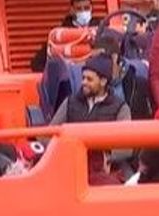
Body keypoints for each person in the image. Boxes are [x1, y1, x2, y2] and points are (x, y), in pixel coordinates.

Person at [50, 54, 133, 182]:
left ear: (103, 81)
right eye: (83, 78)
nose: (84, 82)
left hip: (106, 171)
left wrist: (105, 158)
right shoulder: (70, 102)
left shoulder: (120, 108)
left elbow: (126, 146)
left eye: (89, 79)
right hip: (72, 166)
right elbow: (50, 133)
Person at [31, 0, 95, 72]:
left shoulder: (101, 29)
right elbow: (37, 63)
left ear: (91, 8)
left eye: (86, 8)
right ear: (72, 10)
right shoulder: (61, 34)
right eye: (79, 9)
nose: (83, 12)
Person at [93, 33, 153, 120]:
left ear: (114, 57)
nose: (95, 64)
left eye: (100, 59)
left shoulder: (138, 85)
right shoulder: (91, 86)